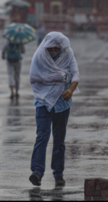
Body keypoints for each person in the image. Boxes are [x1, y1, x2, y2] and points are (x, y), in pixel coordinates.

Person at [29, 31, 79, 187]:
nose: (52, 51)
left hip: (62, 104)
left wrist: (70, 90)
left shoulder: (68, 53)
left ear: (61, 47)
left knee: (59, 140)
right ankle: (37, 172)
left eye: (55, 49)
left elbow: (75, 74)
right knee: (42, 137)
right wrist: (58, 77)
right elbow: (35, 77)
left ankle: (58, 174)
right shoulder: (40, 56)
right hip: (43, 102)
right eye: (50, 49)